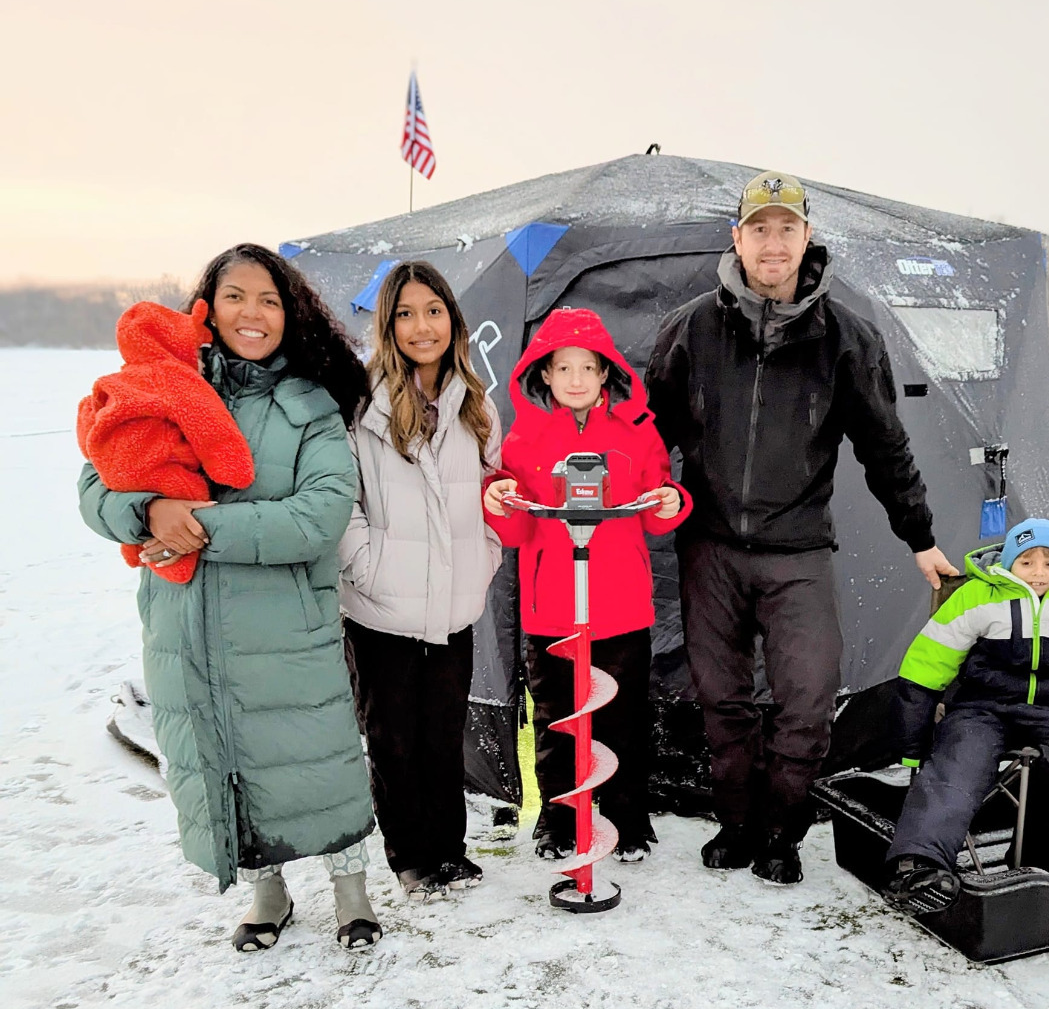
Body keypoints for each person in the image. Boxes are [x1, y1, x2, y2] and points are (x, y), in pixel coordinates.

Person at [645, 170, 957, 884]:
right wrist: (640, 490)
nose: (773, 242)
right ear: (737, 238)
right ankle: (736, 825)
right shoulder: (691, 327)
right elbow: (646, 431)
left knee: (808, 699)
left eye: (786, 227)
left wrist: (920, 537)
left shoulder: (845, 336)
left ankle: (781, 832)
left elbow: (885, 446)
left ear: (807, 236)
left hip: (799, 553)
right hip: (710, 549)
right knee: (721, 703)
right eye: (759, 228)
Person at [78, 243, 382, 952]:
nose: (252, 312)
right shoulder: (156, 385)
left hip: (285, 625)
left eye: (269, 299)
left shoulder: (309, 404)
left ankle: (352, 890)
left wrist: (200, 527)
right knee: (226, 762)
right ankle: (267, 893)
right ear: (205, 307)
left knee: (318, 758)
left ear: (291, 313)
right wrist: (150, 510)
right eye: (236, 296)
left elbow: (319, 517)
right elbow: (95, 487)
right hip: (187, 627)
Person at [483, 307, 692, 862]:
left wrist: (673, 500)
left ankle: (628, 816)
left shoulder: (636, 436)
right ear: (544, 375)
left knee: (622, 720)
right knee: (556, 721)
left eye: (587, 367)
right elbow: (516, 526)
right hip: (549, 607)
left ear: (606, 374)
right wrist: (499, 498)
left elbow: (657, 509)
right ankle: (557, 819)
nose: (576, 379)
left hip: (620, 608)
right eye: (563, 367)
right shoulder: (524, 439)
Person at [338, 260, 502, 902]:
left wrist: (483, 557)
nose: (420, 325)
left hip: (454, 602)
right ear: (388, 324)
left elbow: (496, 496)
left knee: (444, 733)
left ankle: (450, 849)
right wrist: (366, 563)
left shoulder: (476, 403)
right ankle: (410, 855)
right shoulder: (362, 404)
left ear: (452, 320)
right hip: (381, 607)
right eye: (404, 313)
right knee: (393, 740)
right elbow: (343, 502)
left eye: (432, 310)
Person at [884, 518, 1049, 907]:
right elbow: (927, 662)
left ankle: (1044, 866)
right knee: (958, 765)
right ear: (1009, 562)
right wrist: (912, 741)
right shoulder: (978, 596)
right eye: (1027, 562)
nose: (1038, 572)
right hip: (982, 708)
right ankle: (921, 865)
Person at [75, 297, 255, 584]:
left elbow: (88, 414)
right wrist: (233, 469)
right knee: (191, 497)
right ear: (176, 346)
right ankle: (173, 564)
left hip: (115, 473)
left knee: (158, 510)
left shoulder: (117, 380)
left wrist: (103, 454)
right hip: (158, 466)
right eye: (198, 352)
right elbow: (210, 426)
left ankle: (136, 549)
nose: (203, 364)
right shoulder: (176, 376)